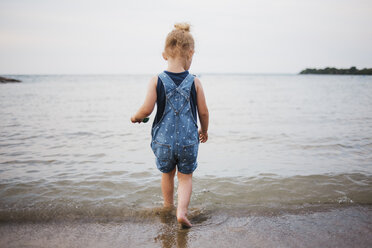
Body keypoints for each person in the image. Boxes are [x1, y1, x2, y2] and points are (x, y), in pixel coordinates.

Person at [130, 22, 209, 227]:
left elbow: (146, 110)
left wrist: (136, 117)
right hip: (188, 141)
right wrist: (205, 130)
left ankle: (168, 206)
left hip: (164, 142)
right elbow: (203, 111)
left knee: (167, 174)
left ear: (164, 54)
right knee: (185, 177)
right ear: (191, 54)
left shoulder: (156, 80)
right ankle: (182, 213)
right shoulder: (195, 81)